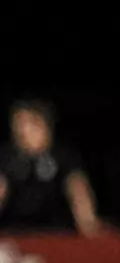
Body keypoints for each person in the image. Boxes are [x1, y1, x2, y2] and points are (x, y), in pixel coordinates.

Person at [0, 99, 104, 235]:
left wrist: (88, 222)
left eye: (28, 123)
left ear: (44, 124)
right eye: (17, 124)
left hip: (58, 233)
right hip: (15, 234)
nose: (21, 131)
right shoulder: (7, 157)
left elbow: (78, 189)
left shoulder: (63, 156)